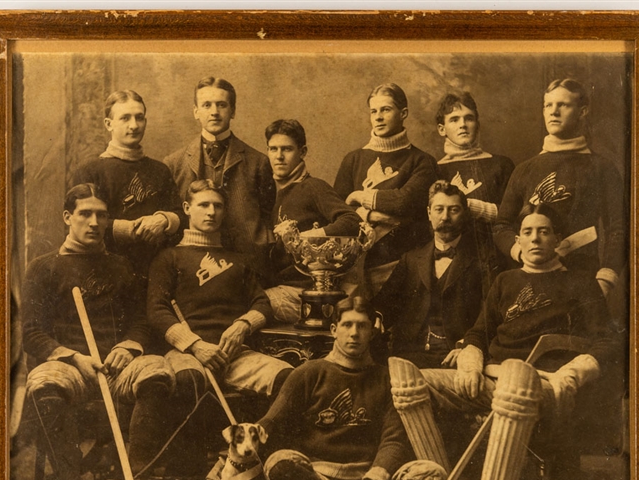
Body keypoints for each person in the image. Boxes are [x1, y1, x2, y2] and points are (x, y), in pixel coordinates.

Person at [390, 202, 617, 480]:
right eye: (527, 232)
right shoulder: (505, 280)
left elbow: (608, 340)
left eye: (543, 231)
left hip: (546, 385)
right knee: (406, 375)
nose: (534, 238)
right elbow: (479, 332)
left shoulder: (578, 282)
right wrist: (469, 362)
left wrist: (569, 377)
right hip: (493, 379)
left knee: (515, 375)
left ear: (558, 239)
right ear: (519, 240)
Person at [206, 296, 453, 480]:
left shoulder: (386, 378)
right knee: (279, 464)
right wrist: (222, 469)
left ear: (373, 331)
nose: (354, 333)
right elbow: (269, 424)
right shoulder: (308, 373)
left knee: (432, 475)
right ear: (334, 330)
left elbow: (394, 440)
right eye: (347, 325)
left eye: (362, 326)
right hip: (320, 479)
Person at [22, 183, 176, 480]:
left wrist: (129, 345)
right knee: (43, 384)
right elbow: (31, 332)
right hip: (71, 364)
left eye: (101, 215)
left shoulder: (121, 266)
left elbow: (141, 320)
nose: (94, 222)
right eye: (84, 214)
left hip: (116, 365)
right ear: (67, 218)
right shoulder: (44, 268)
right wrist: (72, 356)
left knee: (158, 373)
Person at [145, 179, 293, 480]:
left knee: (290, 377)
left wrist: (243, 324)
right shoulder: (169, 257)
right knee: (189, 382)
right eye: (203, 205)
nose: (211, 212)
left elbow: (262, 302)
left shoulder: (239, 260)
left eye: (218, 206)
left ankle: (271, 479)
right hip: (189, 353)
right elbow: (156, 309)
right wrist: (195, 345)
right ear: (186, 209)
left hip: (234, 354)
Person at [493, 78, 626, 297]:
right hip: (531, 281)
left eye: (562, 105)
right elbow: (501, 226)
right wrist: (521, 253)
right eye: (548, 105)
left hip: (583, 279)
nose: (553, 112)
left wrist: (607, 277)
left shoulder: (602, 167)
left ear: (582, 111)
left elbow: (618, 228)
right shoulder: (525, 169)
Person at [164, 77, 275, 276]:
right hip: (192, 267)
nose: (214, 112)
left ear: (233, 111)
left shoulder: (258, 161)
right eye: (207, 105)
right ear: (196, 111)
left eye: (222, 105)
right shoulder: (174, 163)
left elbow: (268, 214)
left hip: (247, 264)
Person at [334, 83, 439, 296]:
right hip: (354, 267)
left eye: (386, 110)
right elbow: (337, 211)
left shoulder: (422, 161)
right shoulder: (353, 159)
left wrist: (359, 197)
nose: (378, 117)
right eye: (374, 111)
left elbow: (405, 201)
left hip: (400, 266)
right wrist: (375, 213)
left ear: (403, 113)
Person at [72, 90, 183, 284]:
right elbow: (78, 225)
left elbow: (182, 218)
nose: (134, 126)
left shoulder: (160, 170)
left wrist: (163, 220)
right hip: (106, 273)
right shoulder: (90, 171)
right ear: (109, 124)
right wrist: (130, 229)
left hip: (157, 272)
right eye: (125, 118)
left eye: (139, 118)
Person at [373, 180, 486, 369]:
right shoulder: (411, 259)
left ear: (465, 215)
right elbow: (385, 302)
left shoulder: (482, 261)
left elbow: (489, 316)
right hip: (408, 354)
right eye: (439, 209)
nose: (445, 217)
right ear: (428, 213)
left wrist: (469, 346)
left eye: (454, 210)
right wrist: (378, 317)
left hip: (455, 355)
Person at [264, 119, 362, 323]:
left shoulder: (313, 187)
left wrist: (311, 237)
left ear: (303, 152)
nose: (279, 156)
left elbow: (352, 220)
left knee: (251, 306)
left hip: (306, 291)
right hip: (280, 286)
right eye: (273, 149)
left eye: (287, 149)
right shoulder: (270, 193)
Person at [435, 91, 514, 280]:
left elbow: (513, 215)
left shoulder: (501, 164)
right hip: (451, 262)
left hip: (496, 259)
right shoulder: (434, 169)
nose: (462, 125)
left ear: (477, 124)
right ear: (442, 129)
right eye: (454, 119)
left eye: (468, 118)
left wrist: (474, 207)